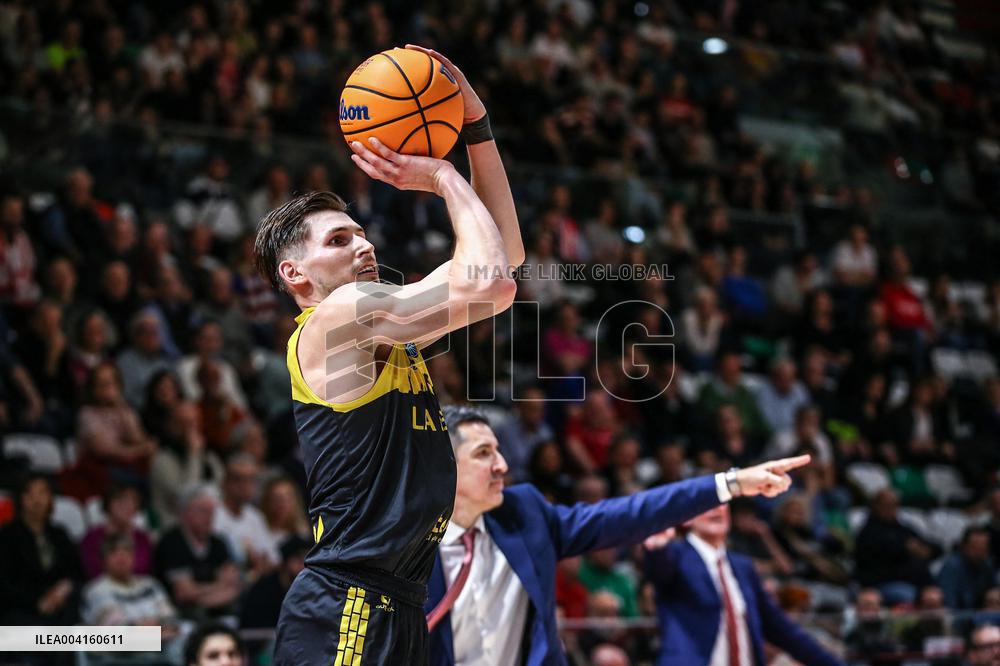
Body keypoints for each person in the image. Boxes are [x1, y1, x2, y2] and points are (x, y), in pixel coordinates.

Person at [254, 46, 523, 666]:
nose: (364, 242)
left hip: (396, 601)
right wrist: (444, 177)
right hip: (347, 602)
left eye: (361, 230)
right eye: (339, 239)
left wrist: (475, 130)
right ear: (294, 274)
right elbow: (491, 283)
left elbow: (501, 260)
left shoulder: (379, 333)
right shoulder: (340, 319)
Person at [425, 405, 812, 665]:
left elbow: (631, 514)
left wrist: (732, 483)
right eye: (483, 454)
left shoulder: (525, 513)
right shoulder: (400, 542)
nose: (502, 465)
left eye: (499, 450)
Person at [643, 504, 844, 666]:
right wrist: (657, 548)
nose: (715, 509)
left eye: (720, 503)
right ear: (687, 519)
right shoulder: (675, 557)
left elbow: (783, 630)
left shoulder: (742, 567)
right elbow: (659, 573)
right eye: (705, 504)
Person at [0, 473, 83, 625]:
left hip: (60, 606)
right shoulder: (7, 536)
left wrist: (61, 591)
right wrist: (38, 602)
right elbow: (6, 584)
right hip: (22, 609)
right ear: (20, 498)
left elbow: (76, 573)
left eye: (42, 493)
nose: (36, 500)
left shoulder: (59, 534)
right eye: (29, 494)